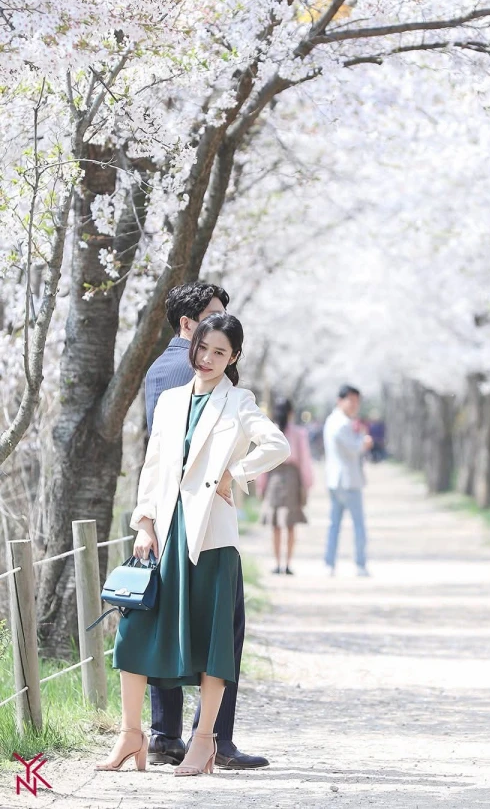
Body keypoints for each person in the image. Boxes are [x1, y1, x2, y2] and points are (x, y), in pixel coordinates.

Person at [96, 312, 290, 775]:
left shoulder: (238, 401)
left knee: (211, 640)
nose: (206, 358)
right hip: (165, 533)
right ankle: (131, 734)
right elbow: (152, 466)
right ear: (193, 343)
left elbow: (276, 445)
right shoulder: (170, 401)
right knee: (134, 633)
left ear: (233, 357)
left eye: (219, 352)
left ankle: (204, 742)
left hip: (212, 539)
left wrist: (234, 474)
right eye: (202, 347)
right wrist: (144, 523)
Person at [144, 282, 270, 771]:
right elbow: (173, 455)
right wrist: (230, 476)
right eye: (212, 317)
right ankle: (214, 738)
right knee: (219, 631)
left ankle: (164, 735)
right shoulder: (193, 376)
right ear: (188, 326)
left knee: (170, 623)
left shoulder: (158, 368)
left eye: (223, 347)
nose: (214, 348)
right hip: (198, 522)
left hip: (171, 517)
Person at [257, 398, 314, 575]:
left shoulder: (269, 431)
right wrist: (307, 483)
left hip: (273, 477)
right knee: (290, 524)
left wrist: (261, 485)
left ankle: (277, 563)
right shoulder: (298, 433)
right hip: (291, 478)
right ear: (291, 413)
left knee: (275, 525)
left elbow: (262, 459)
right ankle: (287, 564)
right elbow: (304, 460)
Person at [323, 385, 373, 576]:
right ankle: (360, 564)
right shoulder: (342, 423)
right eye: (351, 400)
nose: (354, 405)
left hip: (335, 480)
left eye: (357, 401)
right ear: (340, 400)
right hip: (348, 481)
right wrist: (365, 441)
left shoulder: (332, 420)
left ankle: (329, 563)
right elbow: (354, 448)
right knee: (358, 524)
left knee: (334, 525)